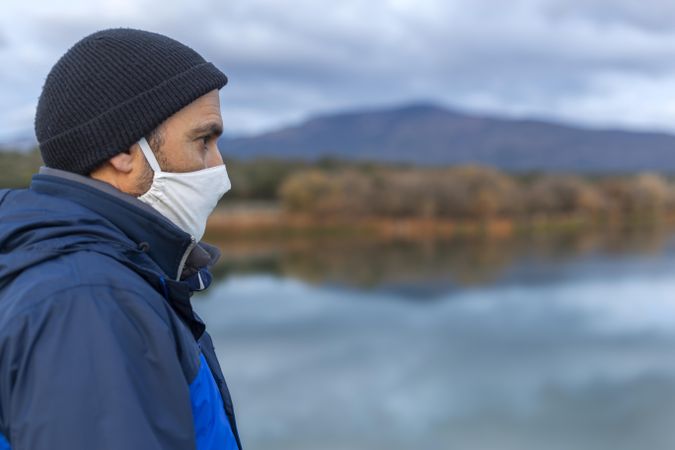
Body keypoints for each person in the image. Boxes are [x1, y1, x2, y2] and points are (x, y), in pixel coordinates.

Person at [0, 28, 242, 450]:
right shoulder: (88, 299)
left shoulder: (92, 275)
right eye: (203, 140)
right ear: (123, 151)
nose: (218, 167)